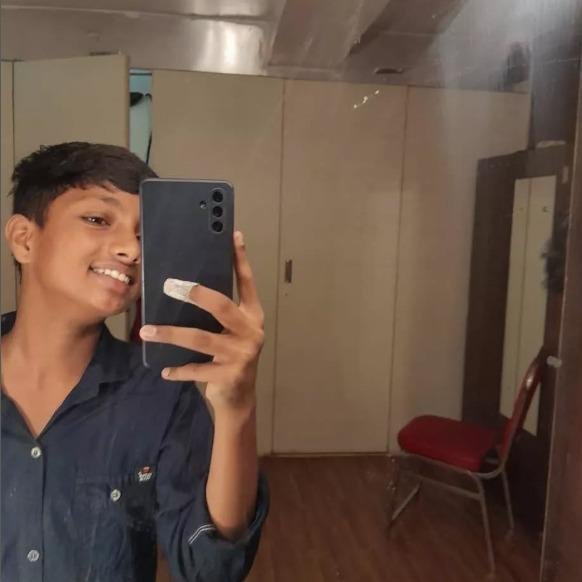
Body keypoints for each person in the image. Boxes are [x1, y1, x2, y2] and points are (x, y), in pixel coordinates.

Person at [0, 142, 268, 582]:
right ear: (24, 239)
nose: (132, 249)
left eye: (144, 236)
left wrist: (237, 411)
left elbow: (210, 569)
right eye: (98, 219)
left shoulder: (162, 395)